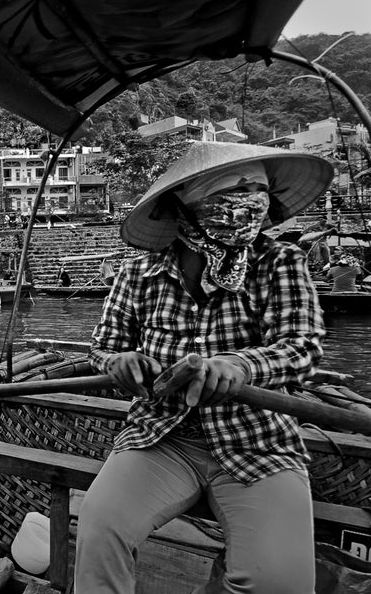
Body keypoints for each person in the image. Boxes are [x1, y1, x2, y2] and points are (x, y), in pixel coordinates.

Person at [76, 142, 331, 594]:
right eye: (230, 191)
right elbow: (102, 349)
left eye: (257, 190)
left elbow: (302, 347)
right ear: (185, 209)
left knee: (278, 583)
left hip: (257, 443)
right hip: (161, 437)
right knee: (100, 528)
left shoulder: (279, 262)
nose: (248, 201)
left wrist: (239, 365)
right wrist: (119, 361)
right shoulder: (137, 274)